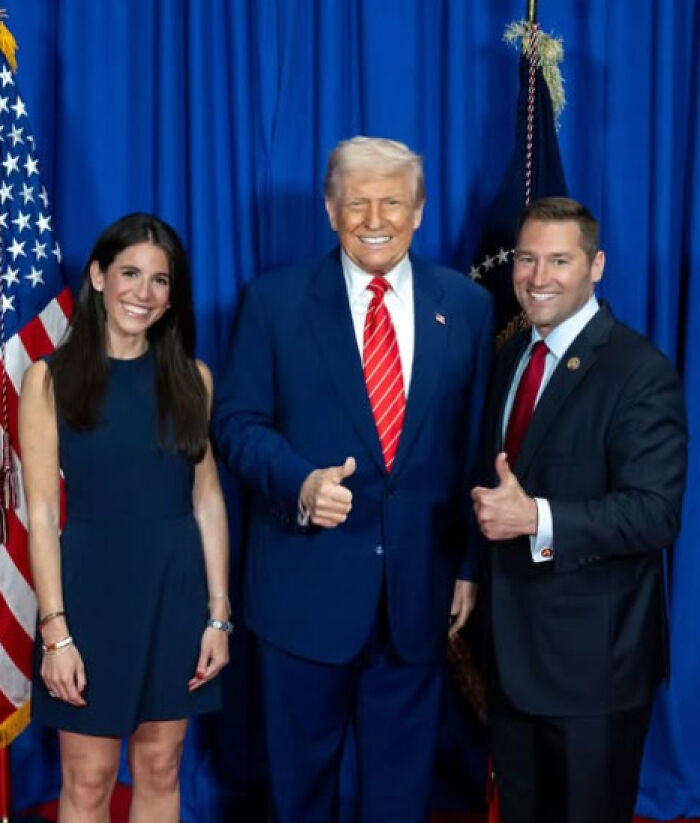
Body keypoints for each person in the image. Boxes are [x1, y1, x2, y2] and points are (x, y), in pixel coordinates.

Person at [212, 136, 493, 823]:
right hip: (302, 595)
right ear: (330, 209)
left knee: (400, 796)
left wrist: (465, 565)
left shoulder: (466, 306)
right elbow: (237, 425)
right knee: (299, 795)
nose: (375, 217)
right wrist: (299, 483)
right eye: (357, 201)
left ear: (420, 210)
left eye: (392, 201)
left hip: (417, 599)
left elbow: (474, 447)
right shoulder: (273, 302)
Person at [471, 197, 688, 823]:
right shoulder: (515, 354)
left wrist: (536, 518)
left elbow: (654, 514)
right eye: (528, 259)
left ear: (596, 266)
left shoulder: (638, 372)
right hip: (513, 661)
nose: (538, 277)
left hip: (596, 670)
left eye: (559, 261)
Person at [19, 213, 230, 823]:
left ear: (173, 297)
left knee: (162, 765)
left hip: (176, 593)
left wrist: (219, 616)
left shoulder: (196, 380)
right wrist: (55, 633)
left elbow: (207, 499)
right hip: (89, 596)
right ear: (97, 276)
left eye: (160, 281)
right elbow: (39, 512)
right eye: (130, 273)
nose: (143, 293)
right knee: (89, 779)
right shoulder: (48, 380)